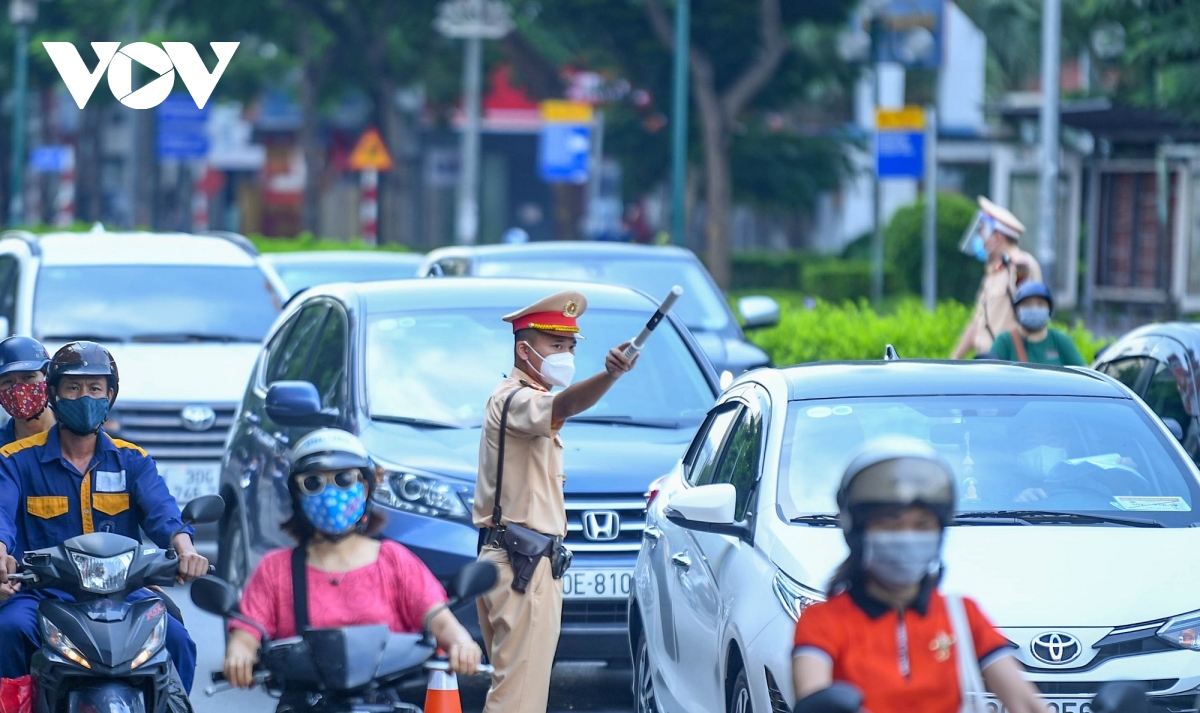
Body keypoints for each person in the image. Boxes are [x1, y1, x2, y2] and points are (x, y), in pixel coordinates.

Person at [0, 341, 206, 693]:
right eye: (73, 388)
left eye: (95, 388)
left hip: (123, 594)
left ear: (110, 396)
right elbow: (2, 513)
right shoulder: (16, 459)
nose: (85, 398)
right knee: (9, 630)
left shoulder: (133, 459)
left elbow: (163, 513)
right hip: (44, 594)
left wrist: (185, 550)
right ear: (54, 394)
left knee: (176, 638)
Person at [791, 437, 1044, 713]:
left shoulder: (961, 614)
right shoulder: (822, 622)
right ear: (859, 531)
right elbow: (814, 696)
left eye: (922, 526)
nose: (907, 537)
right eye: (890, 525)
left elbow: (1025, 702)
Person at [474, 290, 637, 713]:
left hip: (520, 560)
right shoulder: (514, 399)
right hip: (520, 565)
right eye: (555, 345)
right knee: (518, 699)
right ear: (524, 350)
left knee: (518, 689)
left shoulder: (525, 398)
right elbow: (566, 403)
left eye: (569, 346)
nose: (565, 354)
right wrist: (610, 376)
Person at [223, 428, 482, 689]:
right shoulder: (275, 568)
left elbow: (440, 620)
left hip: (384, 700)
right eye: (313, 482)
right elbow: (247, 634)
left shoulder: (394, 561)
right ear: (298, 495)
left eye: (343, 479)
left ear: (366, 487)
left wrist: (462, 644)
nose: (330, 494)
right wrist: (239, 655)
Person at [951, 197, 1042, 359]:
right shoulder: (993, 272)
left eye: (983, 231)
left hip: (1009, 364)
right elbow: (977, 324)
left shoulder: (1020, 265)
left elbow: (1024, 274)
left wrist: (1021, 267)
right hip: (987, 361)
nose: (980, 238)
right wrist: (953, 361)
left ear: (998, 237)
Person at [989, 282, 1085, 367]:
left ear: (1049, 310)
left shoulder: (1060, 340)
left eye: (1040, 304)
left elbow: (1084, 375)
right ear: (1017, 311)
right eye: (1027, 304)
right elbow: (991, 374)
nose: (1034, 308)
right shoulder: (1005, 341)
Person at [0, 336, 55, 448]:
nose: (18, 390)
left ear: (47, 378)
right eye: (8, 382)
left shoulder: (76, 435)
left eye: (28, 377)